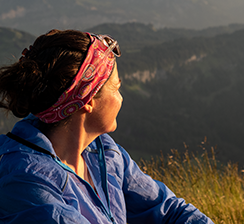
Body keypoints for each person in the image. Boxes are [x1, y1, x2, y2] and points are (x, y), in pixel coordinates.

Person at [0, 29, 214, 224]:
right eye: (116, 88)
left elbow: (168, 211)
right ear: (89, 101)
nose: (121, 99)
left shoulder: (104, 152)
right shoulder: (26, 180)